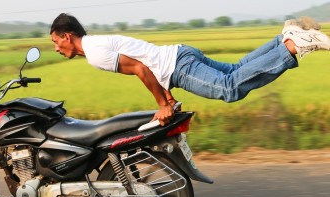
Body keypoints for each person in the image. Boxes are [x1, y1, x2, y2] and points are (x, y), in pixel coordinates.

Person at [49, 13, 330, 126]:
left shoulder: (94, 53)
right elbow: (143, 63)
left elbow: (140, 68)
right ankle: (284, 37)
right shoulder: (97, 43)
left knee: (229, 88)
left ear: (67, 35)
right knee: (236, 69)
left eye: (55, 41)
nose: (55, 48)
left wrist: (162, 104)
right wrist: (169, 99)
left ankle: (292, 46)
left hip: (177, 66)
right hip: (180, 54)